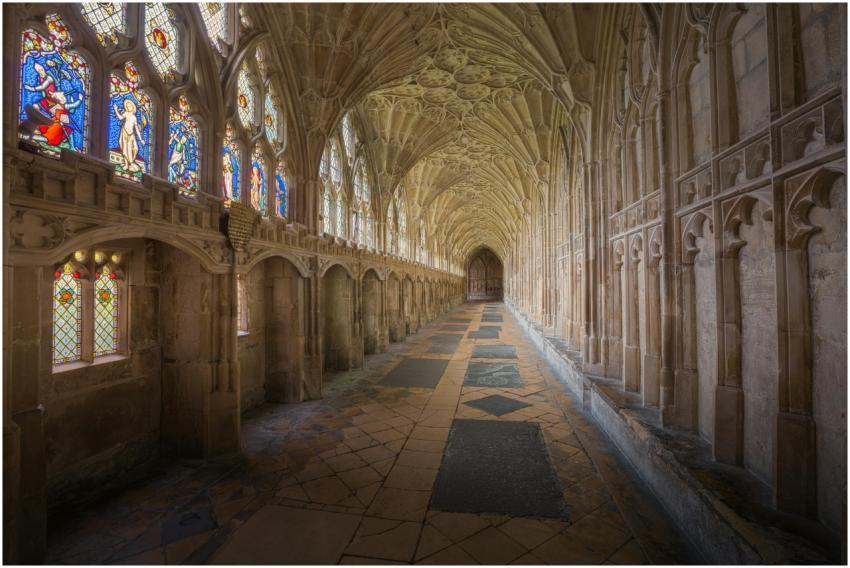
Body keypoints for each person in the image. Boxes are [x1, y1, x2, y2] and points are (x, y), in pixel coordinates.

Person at [113, 98, 145, 172]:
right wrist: (116, 109)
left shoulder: (134, 118)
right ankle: (126, 164)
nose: (128, 107)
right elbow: (120, 118)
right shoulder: (126, 113)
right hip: (124, 132)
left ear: (133, 107)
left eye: (129, 106)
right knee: (125, 149)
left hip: (131, 134)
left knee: (135, 149)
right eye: (127, 106)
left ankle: (131, 162)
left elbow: (136, 129)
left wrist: (141, 139)